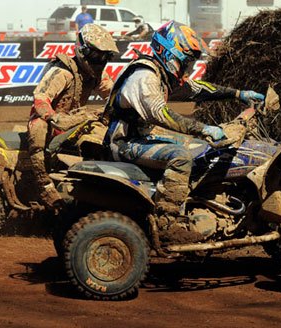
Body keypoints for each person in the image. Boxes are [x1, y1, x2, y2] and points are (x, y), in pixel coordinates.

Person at [102, 20, 265, 243]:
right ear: (168, 53)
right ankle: (167, 219)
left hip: (141, 137)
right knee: (180, 157)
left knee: (202, 149)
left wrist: (237, 94)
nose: (187, 69)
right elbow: (161, 115)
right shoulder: (144, 76)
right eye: (185, 62)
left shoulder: (162, 74)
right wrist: (203, 128)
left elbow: (197, 90)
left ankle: (197, 199)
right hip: (122, 143)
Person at [28, 24, 118, 210]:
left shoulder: (96, 75)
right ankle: (44, 185)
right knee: (38, 128)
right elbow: (41, 97)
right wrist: (51, 116)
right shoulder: (63, 72)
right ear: (83, 51)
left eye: (105, 57)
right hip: (50, 120)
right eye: (96, 56)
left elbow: (113, 94)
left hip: (75, 119)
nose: (100, 61)